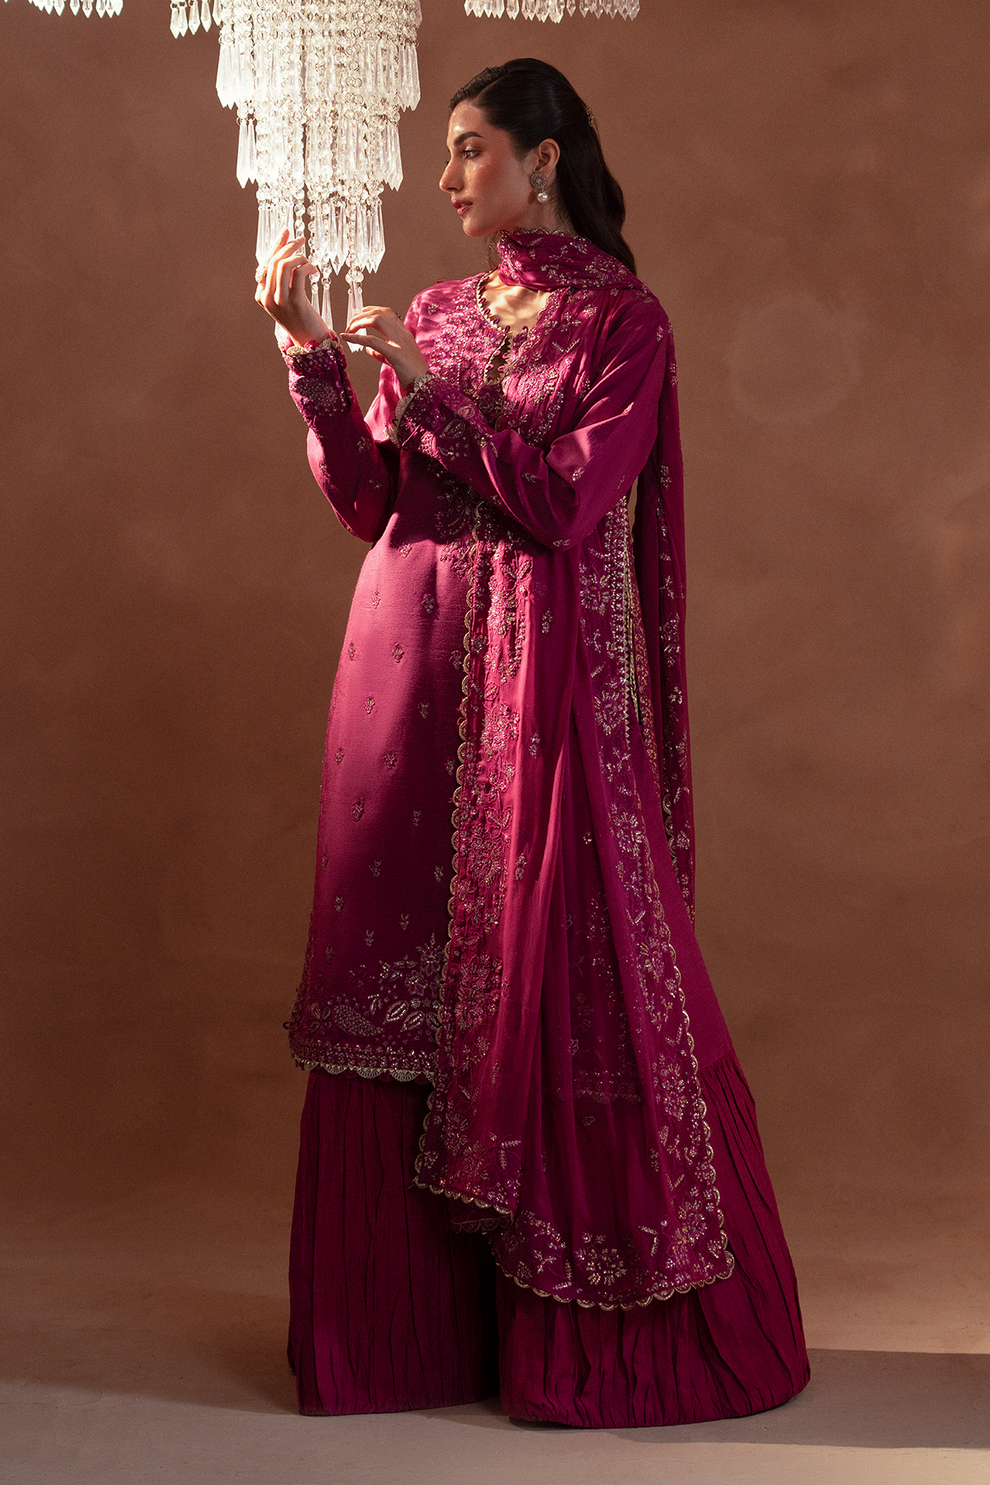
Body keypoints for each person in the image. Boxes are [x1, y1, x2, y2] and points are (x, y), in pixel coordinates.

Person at [255, 57, 810, 1428]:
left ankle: (578, 1342)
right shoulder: (437, 312)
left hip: (546, 693)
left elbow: (565, 504)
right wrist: (314, 360)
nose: (446, 176)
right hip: (407, 672)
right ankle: (396, 1345)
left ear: (543, 157)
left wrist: (428, 394)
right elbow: (372, 499)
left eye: (470, 148)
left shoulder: (625, 325)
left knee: (562, 950)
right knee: (397, 971)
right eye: (446, 151)